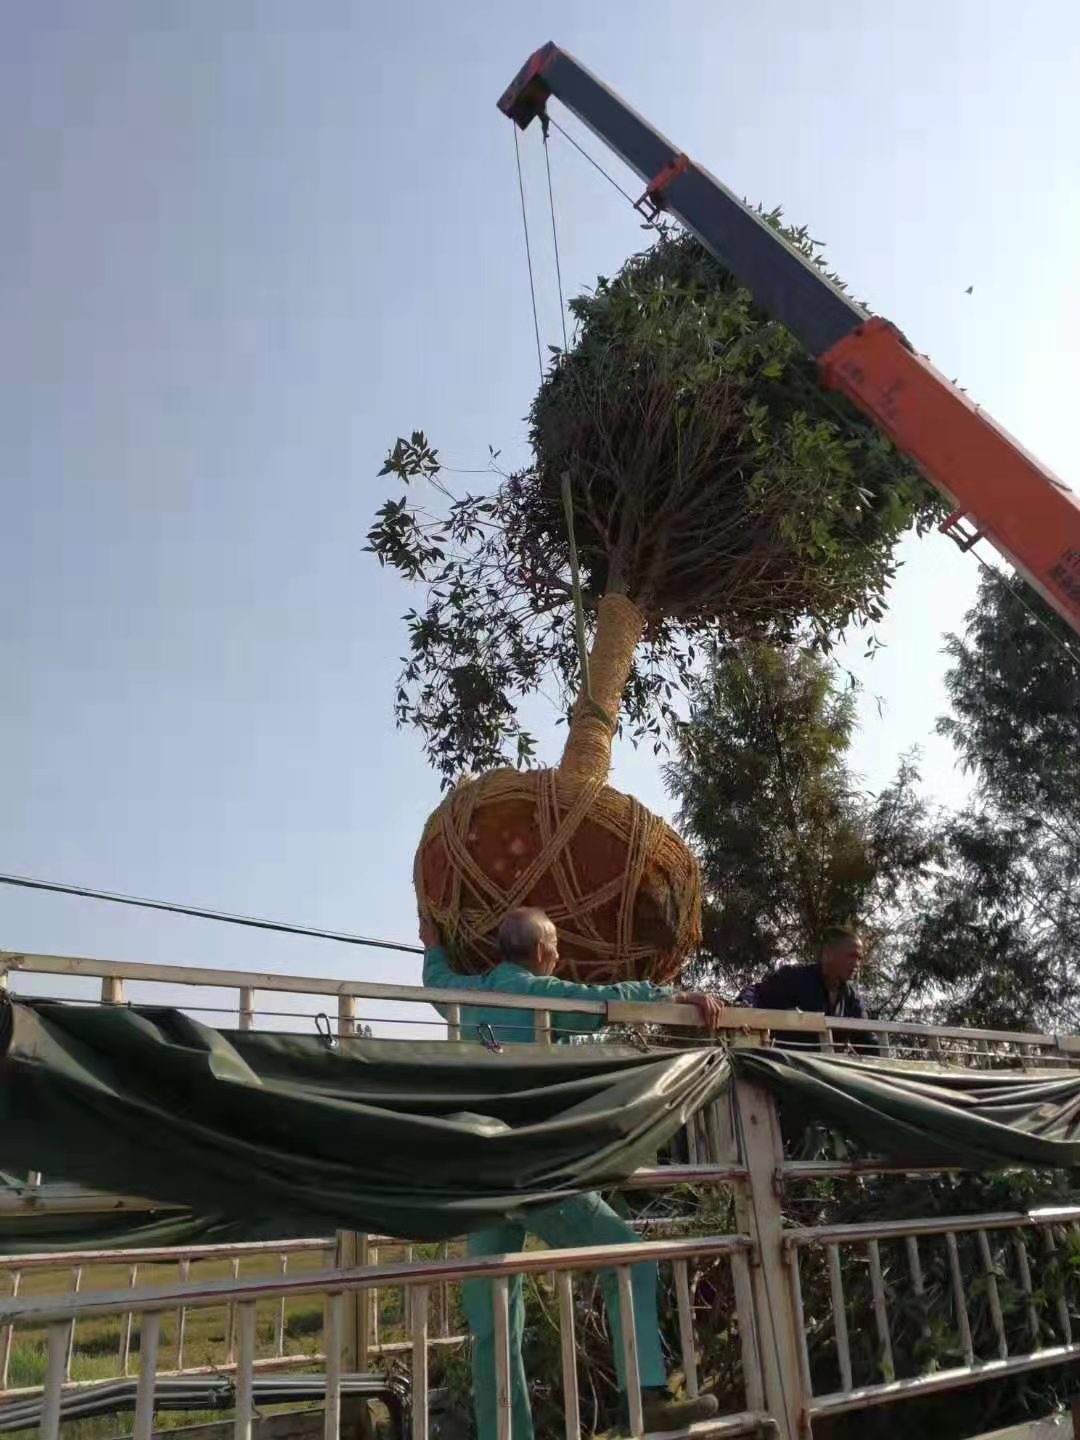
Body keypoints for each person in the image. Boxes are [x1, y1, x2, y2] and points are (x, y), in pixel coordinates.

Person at [420, 907, 724, 1440]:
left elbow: (435, 977)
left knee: (495, 1310)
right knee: (628, 1258)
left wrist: (432, 941)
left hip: (482, 1167)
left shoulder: (467, 996)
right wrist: (673, 996)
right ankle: (646, 1395)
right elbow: (611, 1001)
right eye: (556, 944)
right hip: (538, 1164)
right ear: (540, 952)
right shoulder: (547, 994)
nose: (559, 953)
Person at [735, 926, 866, 1024]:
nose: (856, 964)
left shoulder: (851, 997)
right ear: (828, 953)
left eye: (859, 958)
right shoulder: (796, 978)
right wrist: (744, 1007)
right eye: (851, 956)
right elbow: (757, 992)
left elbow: (868, 1037)